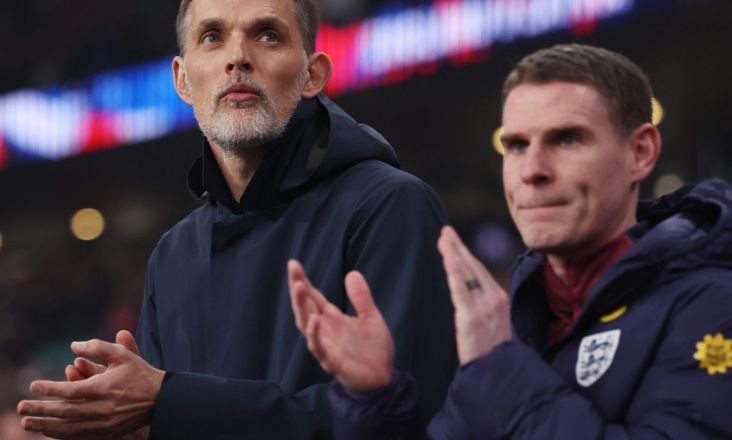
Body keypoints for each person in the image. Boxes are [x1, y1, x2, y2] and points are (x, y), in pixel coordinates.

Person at [16, 0, 456, 439]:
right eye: (212, 37)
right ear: (182, 80)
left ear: (313, 75)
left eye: (267, 35)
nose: (238, 57)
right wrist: (132, 425)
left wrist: (167, 401)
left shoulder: (391, 207)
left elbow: (408, 417)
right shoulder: (173, 254)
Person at [289, 43, 732, 438]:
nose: (532, 170)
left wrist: (501, 368)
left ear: (640, 152)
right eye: (516, 146)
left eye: (567, 139)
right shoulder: (515, 319)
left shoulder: (713, 305)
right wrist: (374, 399)